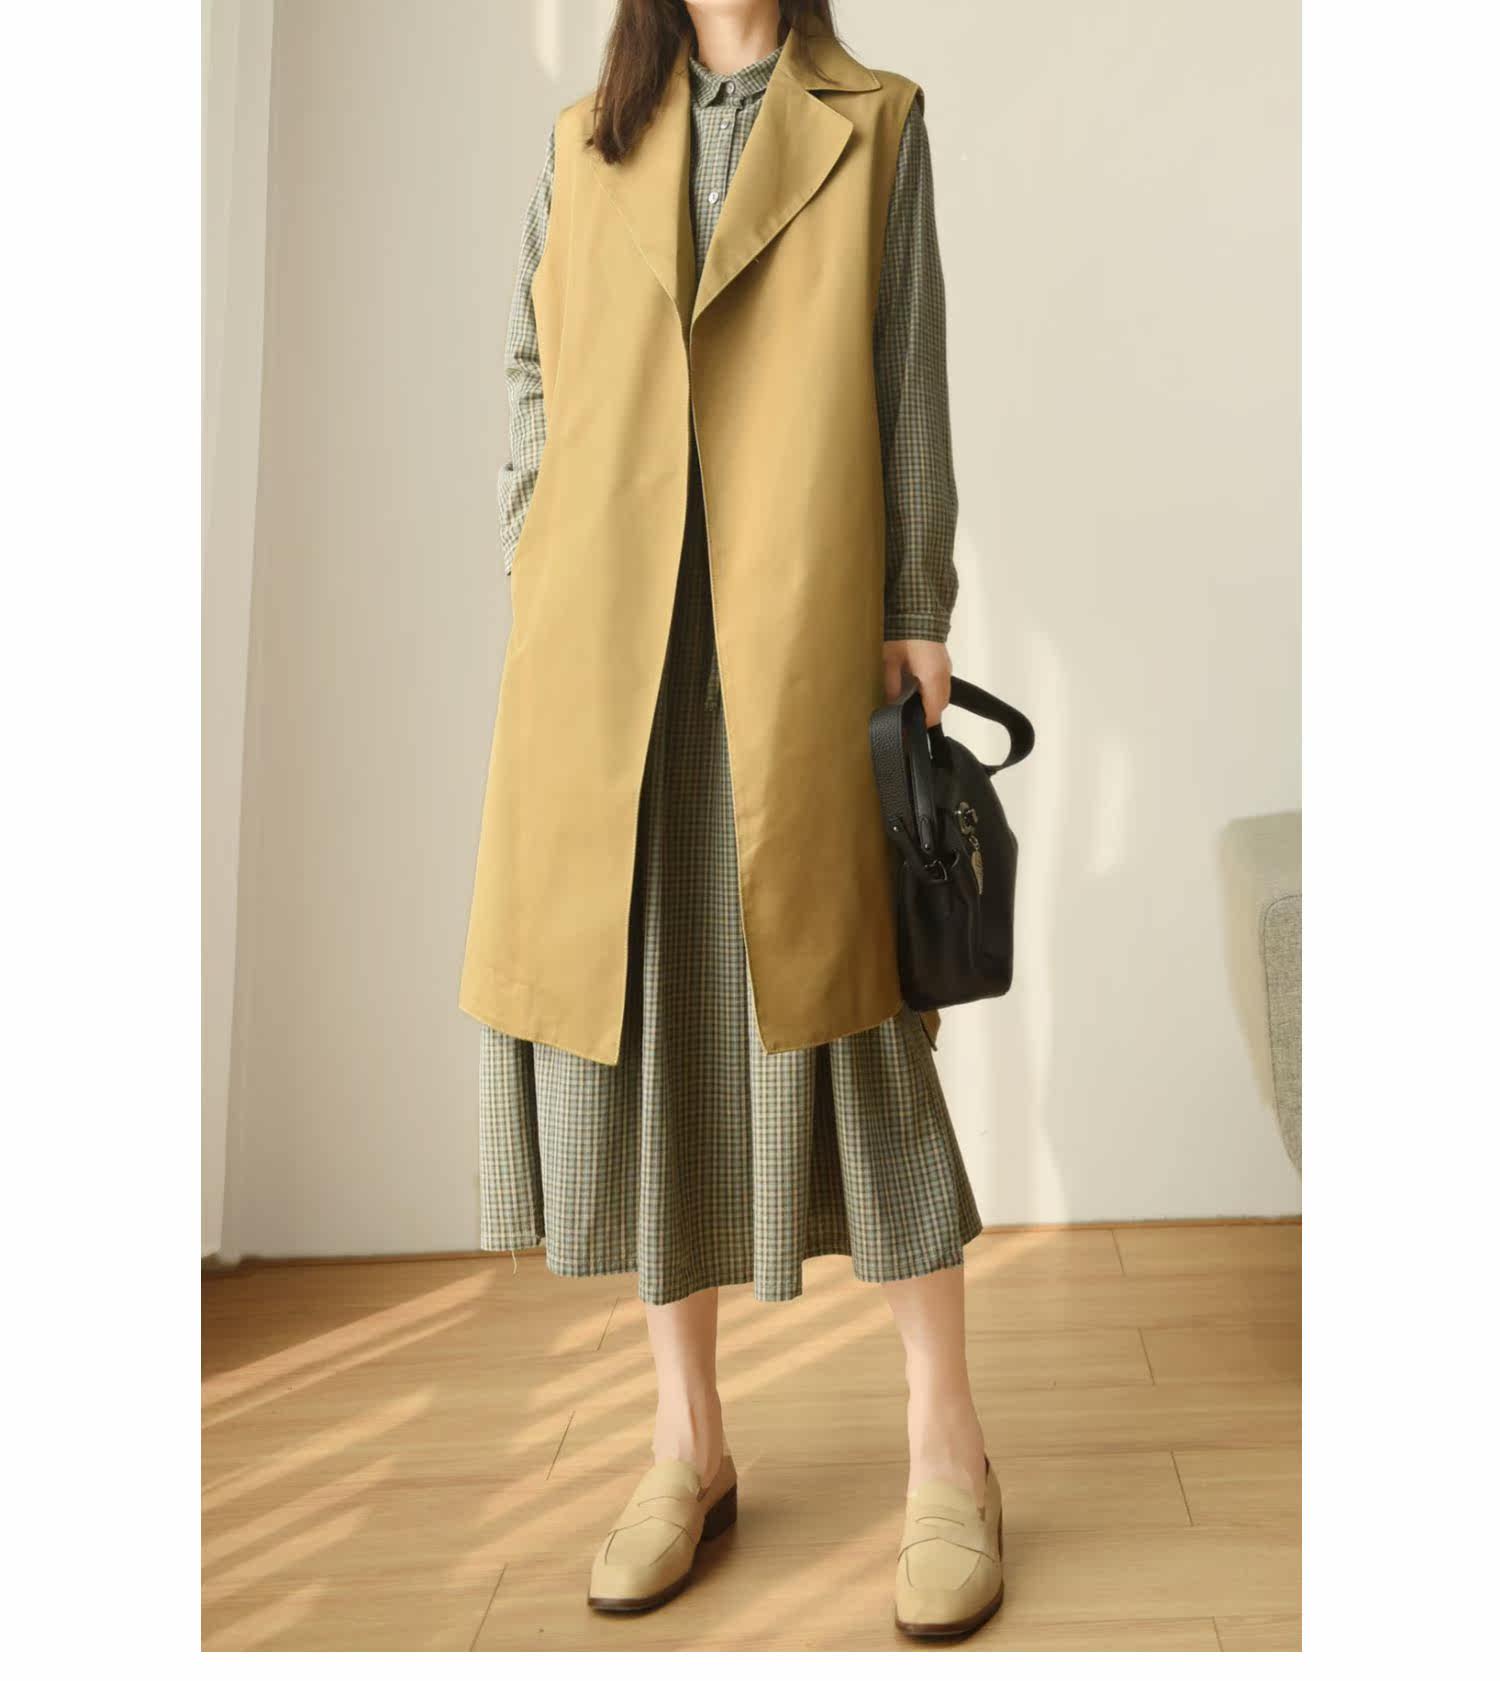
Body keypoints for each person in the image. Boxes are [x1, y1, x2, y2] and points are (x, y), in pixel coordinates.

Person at [460, 0, 1003, 1639]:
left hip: (795, 634)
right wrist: (535, 536)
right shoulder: (587, 141)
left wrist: (916, 606)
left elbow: (908, 371)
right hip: (609, 658)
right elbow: (532, 358)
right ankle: (685, 1444)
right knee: (651, 1037)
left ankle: (950, 1452)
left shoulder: (876, 120)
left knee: (858, 1031)